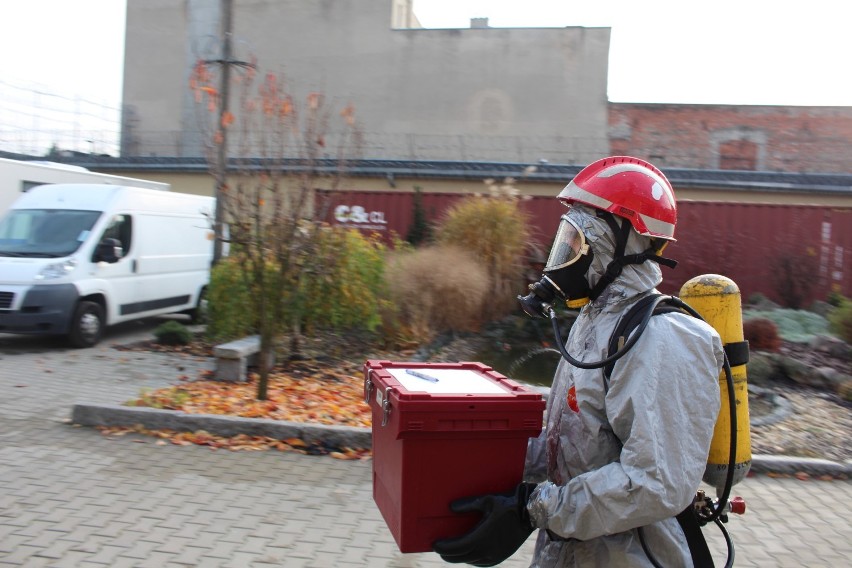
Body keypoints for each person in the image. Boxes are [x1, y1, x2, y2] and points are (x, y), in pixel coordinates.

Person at [433, 156, 725, 567]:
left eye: (578, 241)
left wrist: (536, 509)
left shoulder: (661, 339)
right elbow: (570, 439)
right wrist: (485, 458)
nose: (564, 256)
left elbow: (655, 482)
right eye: (563, 240)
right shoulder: (595, 324)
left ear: (619, 246)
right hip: (572, 551)